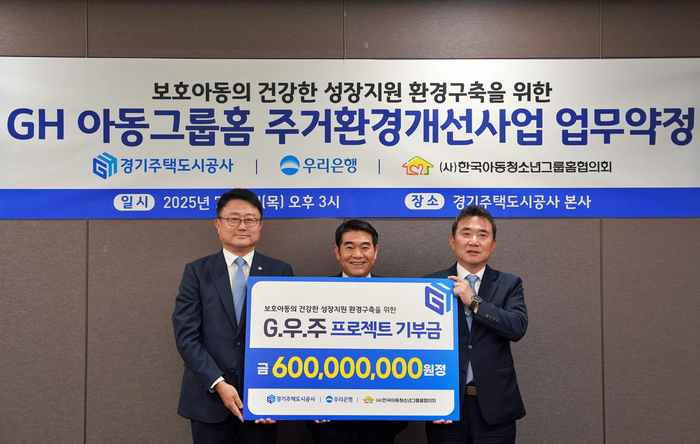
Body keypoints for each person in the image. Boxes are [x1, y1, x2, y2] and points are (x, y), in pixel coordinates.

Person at [173, 188, 294, 444]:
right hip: (208, 398)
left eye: (250, 219)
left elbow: (287, 339)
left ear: (260, 226)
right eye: (233, 219)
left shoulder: (280, 271)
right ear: (218, 224)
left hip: (262, 401)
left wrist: (275, 393)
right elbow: (186, 336)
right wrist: (218, 383)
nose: (242, 226)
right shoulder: (196, 271)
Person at [424, 205, 527, 444]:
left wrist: (474, 301)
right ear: (452, 241)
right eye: (466, 233)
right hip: (446, 407)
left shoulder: (509, 284)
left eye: (482, 235)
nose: (474, 241)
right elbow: (418, 345)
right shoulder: (430, 284)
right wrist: (431, 401)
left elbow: (517, 327)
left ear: (493, 244)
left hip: (495, 408)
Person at [307, 219, 407, 444]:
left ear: (376, 251)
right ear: (337, 252)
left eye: (365, 247)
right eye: (350, 247)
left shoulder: (399, 294)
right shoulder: (313, 294)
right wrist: (310, 402)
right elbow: (301, 353)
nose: (357, 255)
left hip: (381, 421)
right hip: (329, 420)